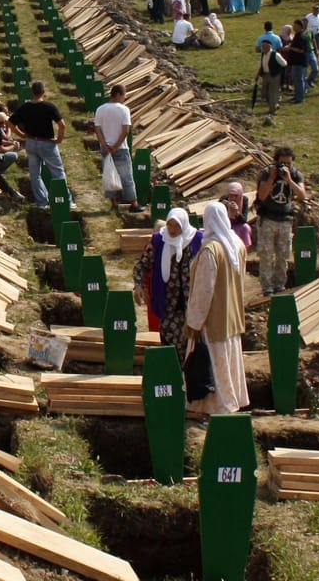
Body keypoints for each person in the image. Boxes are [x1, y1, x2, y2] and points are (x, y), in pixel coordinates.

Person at [183, 202, 250, 415]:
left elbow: (204, 291)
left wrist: (193, 322)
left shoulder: (210, 251)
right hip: (233, 315)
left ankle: (217, 407)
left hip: (213, 320)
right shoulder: (237, 244)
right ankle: (231, 401)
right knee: (228, 365)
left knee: (213, 367)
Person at [131, 207, 201, 339]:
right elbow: (142, 265)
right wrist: (139, 284)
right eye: (169, 225)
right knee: (170, 340)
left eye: (177, 226)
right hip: (168, 304)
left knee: (193, 346)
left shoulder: (197, 240)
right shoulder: (159, 241)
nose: (173, 230)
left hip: (193, 304)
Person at [254, 148, 307, 295]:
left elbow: (302, 195)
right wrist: (272, 177)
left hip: (285, 219)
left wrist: (289, 180)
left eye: (288, 163)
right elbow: (262, 195)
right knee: (266, 254)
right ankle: (267, 286)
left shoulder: (295, 175)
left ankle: (279, 284)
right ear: (275, 161)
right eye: (282, 163)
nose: (285, 166)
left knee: (283, 255)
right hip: (268, 218)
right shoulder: (266, 173)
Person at [11, 81, 70, 208]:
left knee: (35, 175)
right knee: (58, 172)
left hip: (31, 143)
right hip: (47, 143)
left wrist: (22, 135)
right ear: (44, 92)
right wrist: (59, 139)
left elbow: (10, 123)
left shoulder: (25, 107)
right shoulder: (49, 106)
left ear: (32, 92)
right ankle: (66, 201)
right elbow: (62, 125)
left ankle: (42, 202)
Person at [93, 84, 138, 207]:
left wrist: (105, 145)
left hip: (105, 148)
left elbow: (97, 129)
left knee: (109, 175)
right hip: (121, 148)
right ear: (118, 94)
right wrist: (116, 146)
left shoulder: (100, 109)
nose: (125, 97)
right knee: (127, 176)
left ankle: (113, 202)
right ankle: (133, 203)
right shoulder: (124, 110)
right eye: (124, 95)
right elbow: (125, 130)